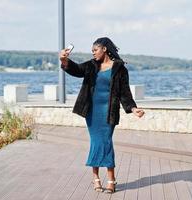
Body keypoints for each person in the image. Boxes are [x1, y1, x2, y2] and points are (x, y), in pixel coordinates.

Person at [59, 37, 145, 193]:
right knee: (96, 142)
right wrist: (64, 60)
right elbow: (76, 70)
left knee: (104, 141)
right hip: (91, 112)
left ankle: (110, 179)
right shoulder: (91, 66)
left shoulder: (119, 69)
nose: (93, 54)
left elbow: (124, 93)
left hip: (109, 112)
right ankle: (96, 178)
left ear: (104, 49)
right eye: (92, 51)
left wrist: (133, 109)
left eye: (95, 50)